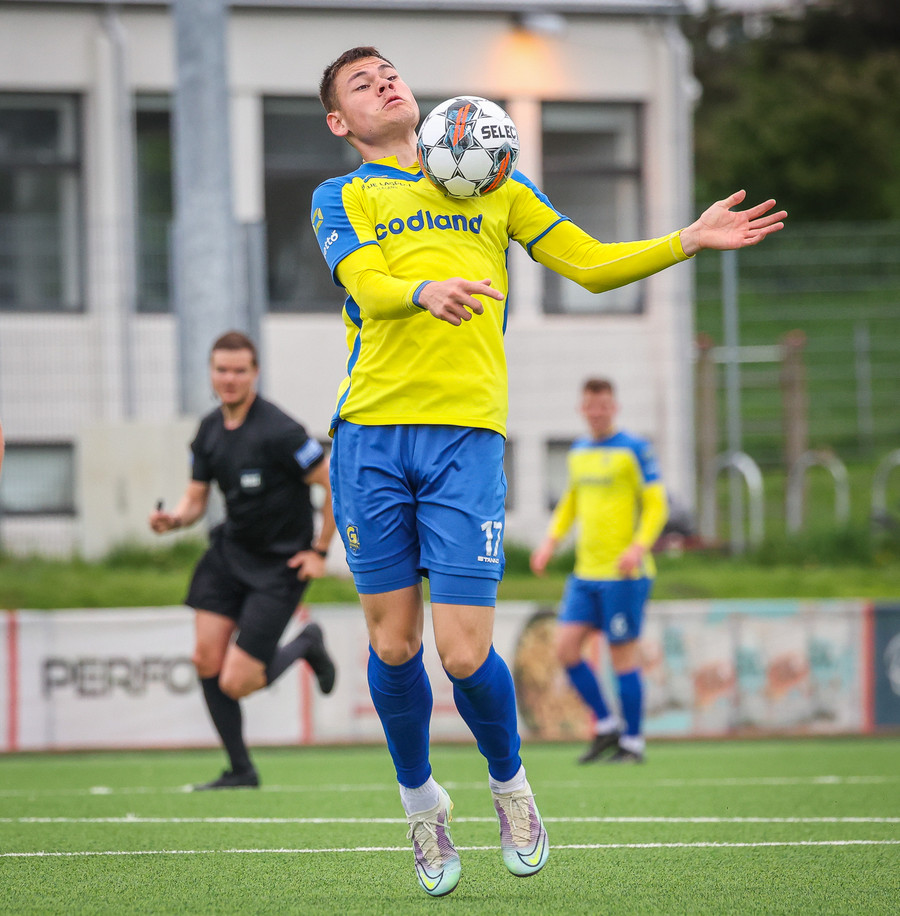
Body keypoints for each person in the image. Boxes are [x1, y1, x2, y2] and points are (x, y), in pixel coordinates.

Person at [312, 46, 785, 897]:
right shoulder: (341, 196)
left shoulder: (494, 180)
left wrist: (686, 239)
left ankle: (511, 788)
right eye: (361, 82)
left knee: (464, 654)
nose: (385, 81)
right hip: (370, 438)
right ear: (339, 122)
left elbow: (587, 263)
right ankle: (421, 804)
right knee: (392, 643)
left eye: (389, 71)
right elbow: (367, 283)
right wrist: (422, 292)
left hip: (466, 441)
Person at [149, 331, 336, 791]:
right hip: (229, 556)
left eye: (238, 370)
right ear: (211, 374)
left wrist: (320, 551)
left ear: (255, 373)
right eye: (221, 370)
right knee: (204, 659)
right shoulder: (208, 431)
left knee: (236, 681)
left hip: (281, 565)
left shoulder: (281, 431)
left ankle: (307, 643)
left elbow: (334, 484)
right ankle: (240, 770)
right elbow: (196, 499)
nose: (229, 379)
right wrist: (174, 519)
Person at [530, 378, 667, 765]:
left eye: (604, 405)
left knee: (622, 657)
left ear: (614, 407)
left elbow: (657, 505)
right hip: (585, 574)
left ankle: (633, 742)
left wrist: (638, 546)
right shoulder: (579, 451)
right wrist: (549, 542)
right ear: (582, 409)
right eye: (591, 406)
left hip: (624, 574)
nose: (597, 412)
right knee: (565, 648)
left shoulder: (634, 450)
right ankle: (606, 725)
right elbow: (571, 502)